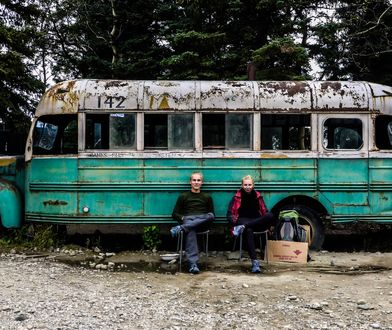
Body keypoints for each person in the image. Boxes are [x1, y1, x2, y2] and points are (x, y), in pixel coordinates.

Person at [227, 175, 275, 273]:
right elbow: (229, 214)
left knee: (270, 215)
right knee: (248, 231)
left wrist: (267, 222)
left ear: (253, 185)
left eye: (249, 184)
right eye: (245, 185)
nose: (247, 187)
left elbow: (264, 211)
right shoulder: (237, 197)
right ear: (242, 185)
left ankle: (244, 227)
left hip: (255, 221)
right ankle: (255, 262)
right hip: (242, 220)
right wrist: (234, 222)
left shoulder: (257, 196)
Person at [171, 172, 215, 274]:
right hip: (189, 220)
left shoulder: (207, 197)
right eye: (194, 180)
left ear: (202, 182)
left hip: (202, 223)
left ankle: (181, 227)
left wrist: (192, 221)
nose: (196, 182)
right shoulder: (183, 196)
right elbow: (174, 214)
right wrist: (183, 218)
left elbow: (212, 215)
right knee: (191, 229)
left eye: (198, 180)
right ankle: (193, 264)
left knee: (211, 215)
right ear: (190, 182)